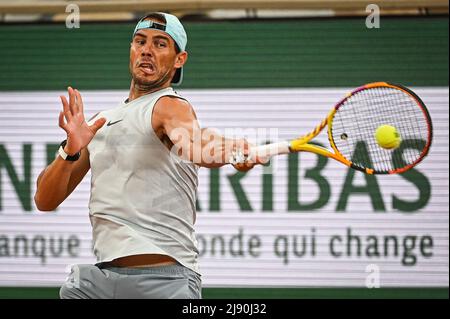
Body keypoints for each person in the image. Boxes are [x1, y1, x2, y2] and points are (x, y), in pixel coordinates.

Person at [34, 12, 263, 299]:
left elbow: (196, 145)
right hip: (101, 282)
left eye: (160, 44)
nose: (146, 50)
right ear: (131, 50)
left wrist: (231, 149)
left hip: (164, 282)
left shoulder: (170, 106)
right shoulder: (98, 122)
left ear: (179, 59)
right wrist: (71, 150)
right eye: (140, 41)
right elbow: (45, 199)